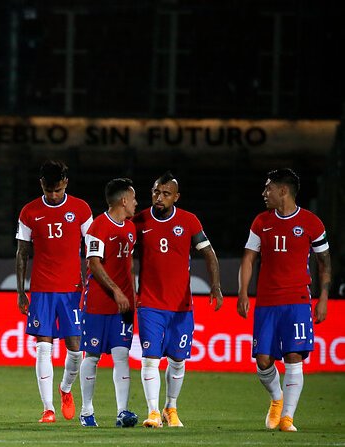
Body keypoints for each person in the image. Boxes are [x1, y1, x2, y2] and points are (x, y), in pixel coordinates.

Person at [237, 168, 331, 432]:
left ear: (283, 191)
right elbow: (248, 257)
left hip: (298, 299)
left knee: (293, 356)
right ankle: (277, 399)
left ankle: (287, 418)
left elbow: (324, 262)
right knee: (263, 361)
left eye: (268, 188)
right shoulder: (261, 221)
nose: (264, 193)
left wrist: (323, 297)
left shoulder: (312, 223)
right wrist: (243, 291)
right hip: (267, 301)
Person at [133, 172, 222, 428]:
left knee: (177, 359)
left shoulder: (189, 221)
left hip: (181, 306)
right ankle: (152, 412)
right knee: (150, 357)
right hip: (150, 302)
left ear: (176, 197)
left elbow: (209, 253)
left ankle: (170, 407)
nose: (159, 198)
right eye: (155, 192)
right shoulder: (140, 221)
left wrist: (215, 287)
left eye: (166, 194)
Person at [15, 160, 92, 423]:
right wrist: (20, 291)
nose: (53, 195)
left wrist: (90, 283)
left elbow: (92, 251)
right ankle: (48, 408)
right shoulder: (29, 211)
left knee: (75, 349)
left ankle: (65, 390)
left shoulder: (81, 209)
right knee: (43, 349)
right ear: (41, 185)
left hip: (72, 289)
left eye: (57, 190)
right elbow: (22, 253)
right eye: (49, 191)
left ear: (66, 184)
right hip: (42, 289)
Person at [78, 178, 138, 428]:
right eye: (133, 198)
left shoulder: (131, 228)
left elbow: (128, 266)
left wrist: (130, 293)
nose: (136, 203)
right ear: (123, 200)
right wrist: (116, 291)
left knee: (122, 354)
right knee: (91, 356)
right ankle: (86, 411)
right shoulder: (98, 227)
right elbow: (93, 263)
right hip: (98, 303)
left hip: (123, 305)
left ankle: (122, 412)